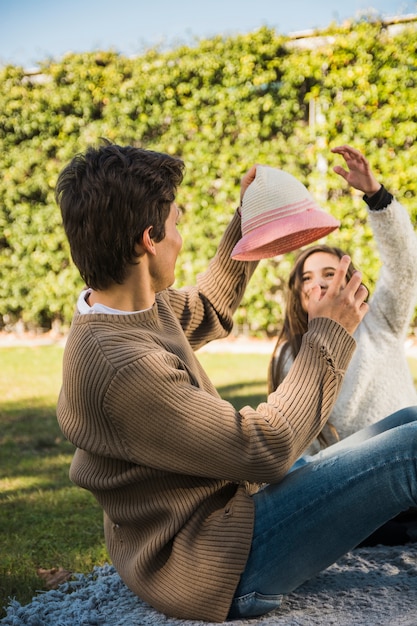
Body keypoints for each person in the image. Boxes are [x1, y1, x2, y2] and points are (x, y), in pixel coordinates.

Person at [55, 142, 417, 623]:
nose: (181, 238)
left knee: (408, 423)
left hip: (226, 519)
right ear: (149, 239)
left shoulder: (134, 310)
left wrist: (253, 220)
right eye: (177, 224)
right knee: (411, 448)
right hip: (215, 561)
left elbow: (208, 305)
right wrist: (328, 334)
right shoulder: (122, 364)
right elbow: (264, 448)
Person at [268, 145, 417, 453]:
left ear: (351, 284)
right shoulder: (290, 356)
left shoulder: (380, 322)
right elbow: (296, 440)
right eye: (307, 278)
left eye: (330, 273)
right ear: (298, 296)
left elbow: (406, 266)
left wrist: (376, 196)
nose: (319, 283)